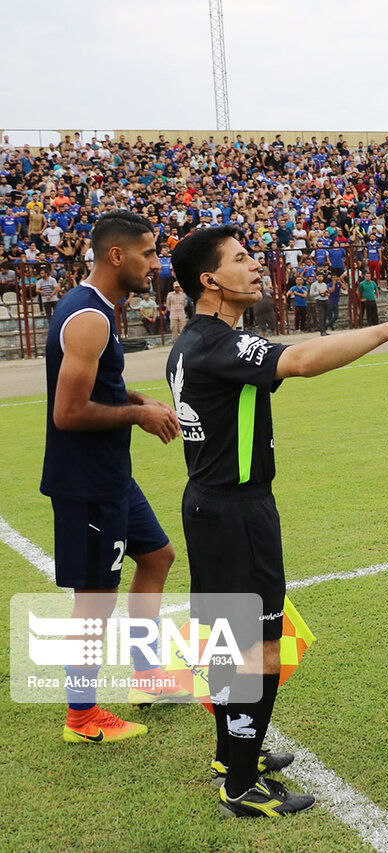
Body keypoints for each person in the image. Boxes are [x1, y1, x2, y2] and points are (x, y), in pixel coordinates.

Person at [167, 224, 388, 817]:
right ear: (210, 281)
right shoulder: (216, 342)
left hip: (212, 504)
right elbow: (302, 360)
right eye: (242, 259)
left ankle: (231, 755)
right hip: (235, 510)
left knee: (227, 643)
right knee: (260, 648)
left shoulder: (198, 341)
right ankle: (240, 787)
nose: (257, 266)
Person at [41, 210, 184, 746]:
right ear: (117, 256)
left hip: (111, 476)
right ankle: (81, 716)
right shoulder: (90, 317)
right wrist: (137, 415)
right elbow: (68, 412)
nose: (156, 263)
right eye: (148, 253)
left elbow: (94, 386)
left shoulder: (94, 308)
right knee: (95, 598)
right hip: (87, 483)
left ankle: (146, 678)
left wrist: (131, 397)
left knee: (158, 557)